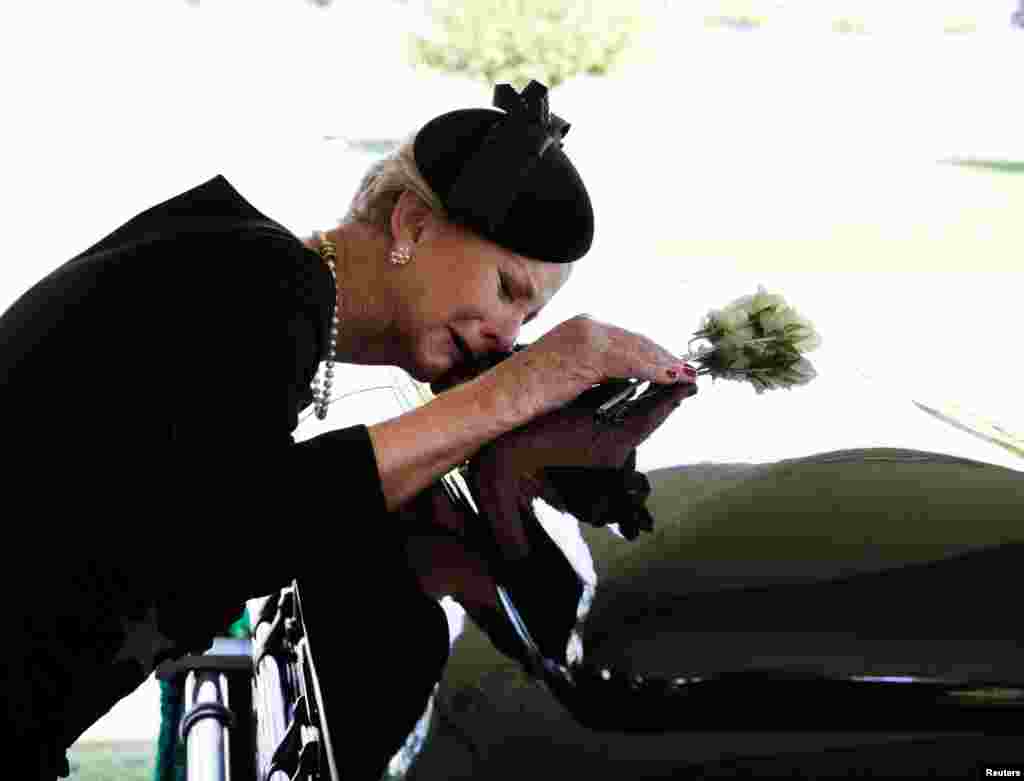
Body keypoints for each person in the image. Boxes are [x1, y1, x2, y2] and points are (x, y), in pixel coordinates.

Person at [0, 80, 696, 780]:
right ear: (414, 225)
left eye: (530, 321)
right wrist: (518, 387)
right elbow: (244, 528)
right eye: (506, 288)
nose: (508, 334)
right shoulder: (268, 283)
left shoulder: (242, 265)